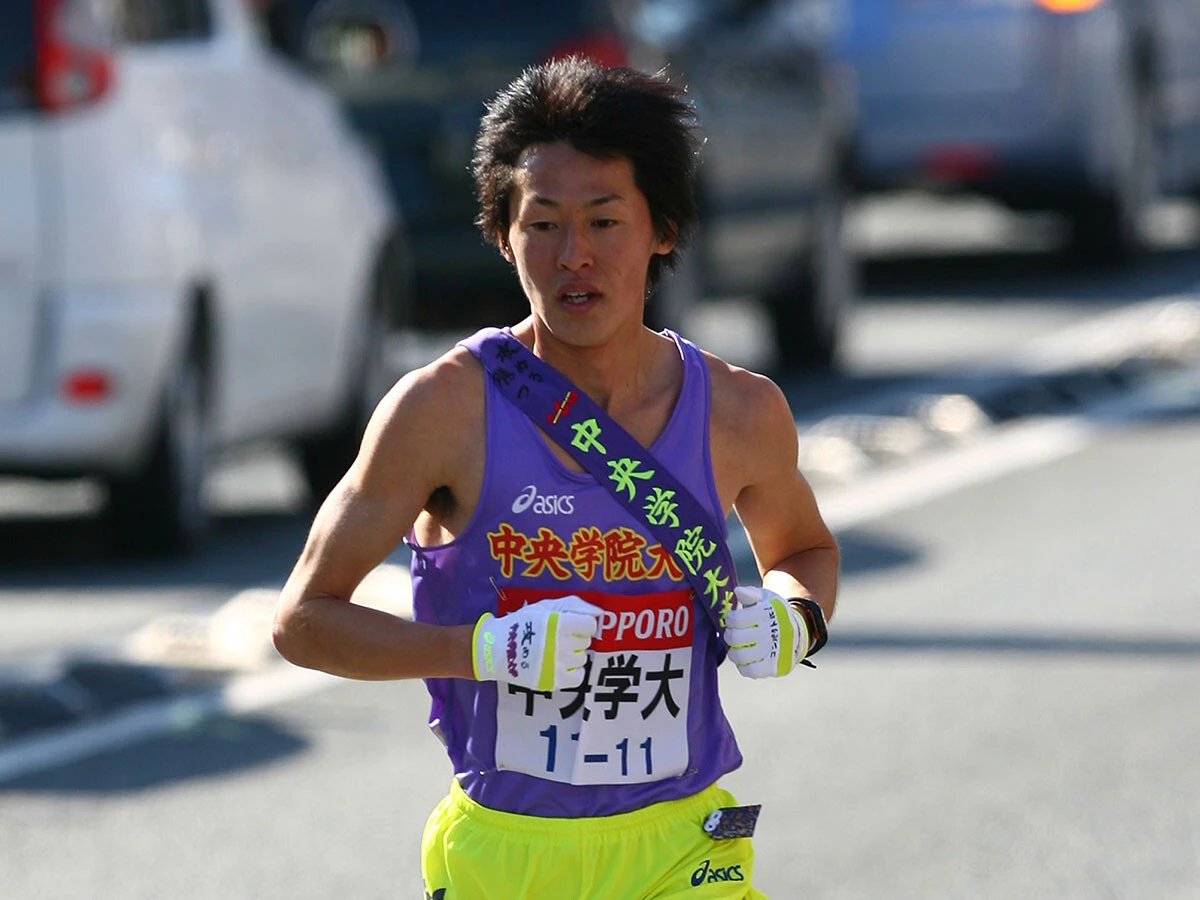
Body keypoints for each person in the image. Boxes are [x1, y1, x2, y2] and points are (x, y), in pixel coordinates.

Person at [273, 57, 840, 899]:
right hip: (504, 853)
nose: (574, 256)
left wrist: (795, 619)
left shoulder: (742, 411)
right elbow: (304, 623)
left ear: (663, 230)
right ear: (503, 234)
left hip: (689, 841)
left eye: (606, 222)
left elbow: (803, 549)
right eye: (543, 224)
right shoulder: (439, 410)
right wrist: (484, 651)